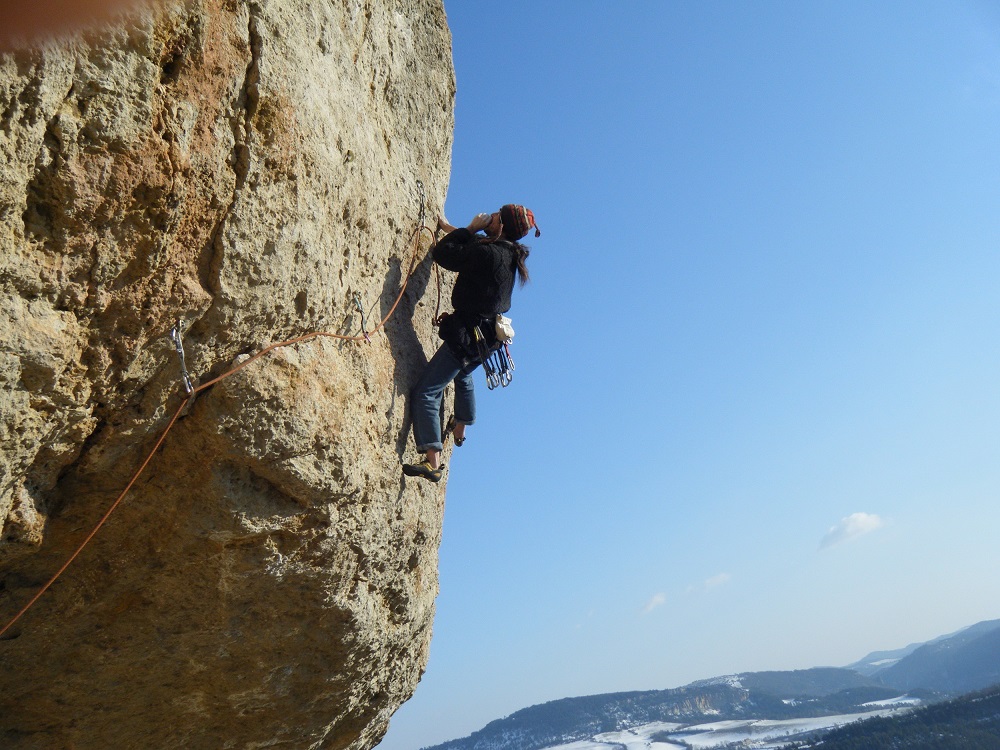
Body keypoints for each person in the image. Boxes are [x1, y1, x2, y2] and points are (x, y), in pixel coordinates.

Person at [402, 204, 540, 482]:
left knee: (427, 392)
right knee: (463, 374)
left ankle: (432, 461)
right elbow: (473, 248)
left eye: (497, 216)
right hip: (489, 340)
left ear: (501, 227)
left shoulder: (487, 252)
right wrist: (455, 229)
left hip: (468, 335)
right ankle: (461, 427)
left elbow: (445, 255)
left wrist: (470, 228)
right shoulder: (508, 253)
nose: (492, 215)